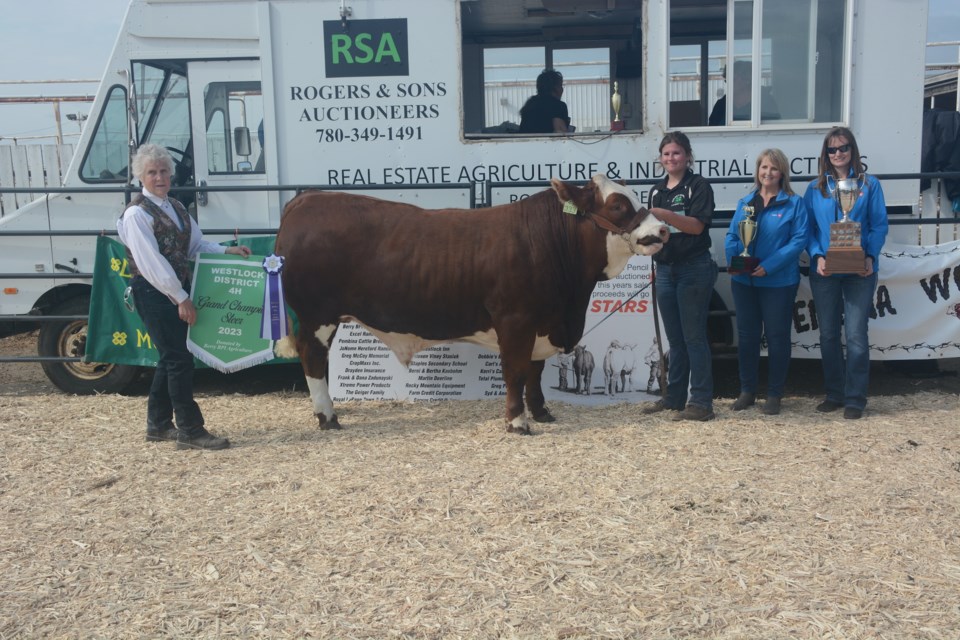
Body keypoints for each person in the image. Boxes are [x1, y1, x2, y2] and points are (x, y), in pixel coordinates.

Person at [117, 144, 251, 449]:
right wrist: (180, 297)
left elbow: (195, 246)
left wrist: (227, 249)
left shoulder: (175, 207)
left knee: (170, 357)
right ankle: (190, 430)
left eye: (164, 171)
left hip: (170, 290)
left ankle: (159, 425)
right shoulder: (137, 214)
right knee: (179, 359)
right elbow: (151, 263)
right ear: (141, 176)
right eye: (152, 172)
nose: (160, 177)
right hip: (154, 291)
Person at [804, 127, 889, 420]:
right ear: (825, 154)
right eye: (832, 149)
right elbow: (809, 229)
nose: (838, 154)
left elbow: (879, 225)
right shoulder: (815, 189)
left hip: (860, 270)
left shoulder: (870, 185)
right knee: (828, 334)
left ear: (853, 150)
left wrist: (869, 255)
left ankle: (855, 398)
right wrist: (816, 254)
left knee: (855, 334)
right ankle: (834, 393)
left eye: (843, 148)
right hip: (826, 270)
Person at [724, 149, 809, 415]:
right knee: (748, 337)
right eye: (763, 167)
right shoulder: (746, 201)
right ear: (757, 171)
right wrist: (737, 261)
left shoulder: (794, 204)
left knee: (777, 337)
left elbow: (799, 241)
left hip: (778, 283)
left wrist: (769, 266)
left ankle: (774, 394)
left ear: (782, 172)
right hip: (745, 282)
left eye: (773, 168)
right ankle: (747, 390)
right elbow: (732, 235)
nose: (767, 173)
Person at [642, 132, 718, 421]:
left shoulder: (698, 186)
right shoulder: (655, 190)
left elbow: (697, 227)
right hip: (664, 270)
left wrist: (664, 214)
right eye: (666, 154)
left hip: (693, 268)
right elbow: (655, 232)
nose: (671, 158)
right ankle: (674, 397)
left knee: (694, 337)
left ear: (687, 155)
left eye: (676, 153)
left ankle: (701, 402)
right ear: (660, 158)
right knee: (675, 340)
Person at [708, 60, 780, 126]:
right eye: (727, 80)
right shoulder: (721, 105)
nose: (728, 83)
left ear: (747, 80)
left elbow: (774, 128)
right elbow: (712, 130)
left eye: (733, 79)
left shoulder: (765, 102)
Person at [519, 69, 571, 134]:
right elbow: (561, 133)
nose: (562, 89)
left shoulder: (530, 103)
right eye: (560, 85)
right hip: (546, 144)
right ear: (554, 88)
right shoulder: (558, 106)